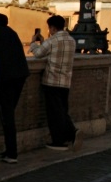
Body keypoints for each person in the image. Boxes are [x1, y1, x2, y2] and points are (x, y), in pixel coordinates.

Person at [28, 15, 81, 152]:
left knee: (55, 113)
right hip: (65, 82)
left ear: (52, 27)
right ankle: (71, 133)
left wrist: (34, 42)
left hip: (51, 82)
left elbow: (38, 54)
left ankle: (60, 140)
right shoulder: (71, 41)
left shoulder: (52, 41)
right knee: (62, 110)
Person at [0, 11, 29, 163]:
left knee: (6, 115)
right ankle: (10, 152)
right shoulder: (11, 32)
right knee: (8, 113)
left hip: (4, 78)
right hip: (19, 76)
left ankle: (11, 153)